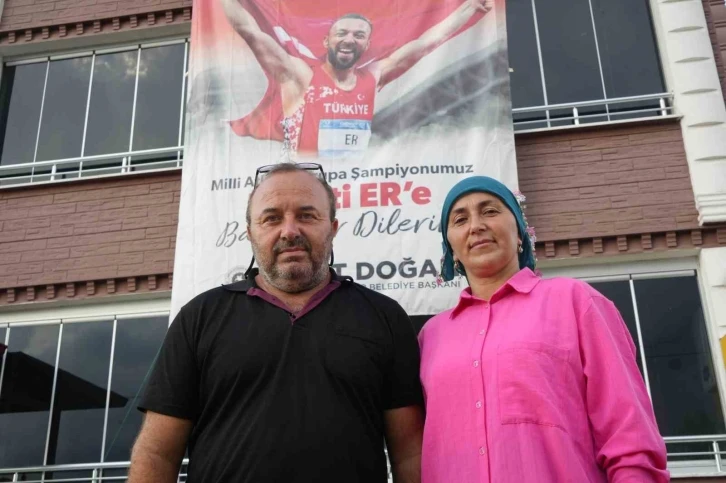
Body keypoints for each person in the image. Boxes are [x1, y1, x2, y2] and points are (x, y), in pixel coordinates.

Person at [129, 162, 424, 483]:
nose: (290, 231)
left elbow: (410, 453)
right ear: (250, 233)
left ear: (333, 228)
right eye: (271, 218)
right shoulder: (199, 317)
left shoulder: (384, 317)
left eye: (307, 216)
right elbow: (157, 454)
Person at [418, 176, 669, 482]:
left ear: (521, 234)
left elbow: (629, 434)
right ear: (452, 250)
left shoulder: (575, 302)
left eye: (490, 211)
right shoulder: (431, 337)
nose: (476, 226)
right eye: (460, 219)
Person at [221, 0, 493, 158]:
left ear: (367, 44)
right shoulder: (301, 74)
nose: (349, 40)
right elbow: (250, 31)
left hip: (355, 186)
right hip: (307, 184)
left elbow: (425, 43)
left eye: (359, 35)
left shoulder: (373, 76)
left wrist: (470, 8)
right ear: (327, 41)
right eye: (342, 33)